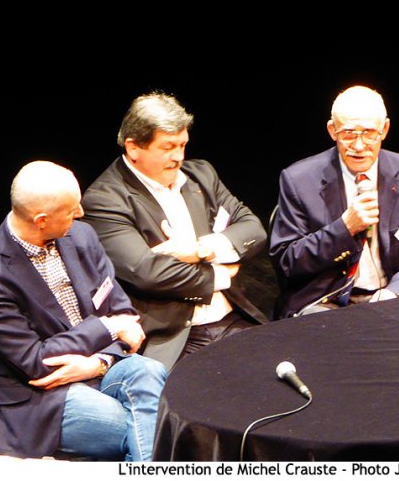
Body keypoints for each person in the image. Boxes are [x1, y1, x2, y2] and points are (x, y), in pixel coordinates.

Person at [0, 161, 167, 461]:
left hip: (102, 365)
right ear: (42, 220)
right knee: (151, 428)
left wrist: (97, 363)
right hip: (44, 396)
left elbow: (123, 313)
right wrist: (108, 327)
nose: (81, 213)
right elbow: (35, 360)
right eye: (71, 210)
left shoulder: (81, 236)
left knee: (151, 371)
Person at [81, 91, 268, 371]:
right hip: (175, 336)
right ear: (133, 147)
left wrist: (201, 250)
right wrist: (220, 274)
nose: (178, 156)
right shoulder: (105, 200)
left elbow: (253, 229)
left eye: (182, 145)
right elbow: (147, 273)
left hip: (233, 318)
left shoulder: (201, 175)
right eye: (168, 147)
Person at [269, 85, 399, 319]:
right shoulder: (299, 180)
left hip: (391, 296)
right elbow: (287, 262)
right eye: (348, 134)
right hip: (325, 301)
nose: (359, 146)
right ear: (332, 131)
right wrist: (344, 228)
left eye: (369, 133)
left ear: (384, 129)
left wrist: (395, 292)